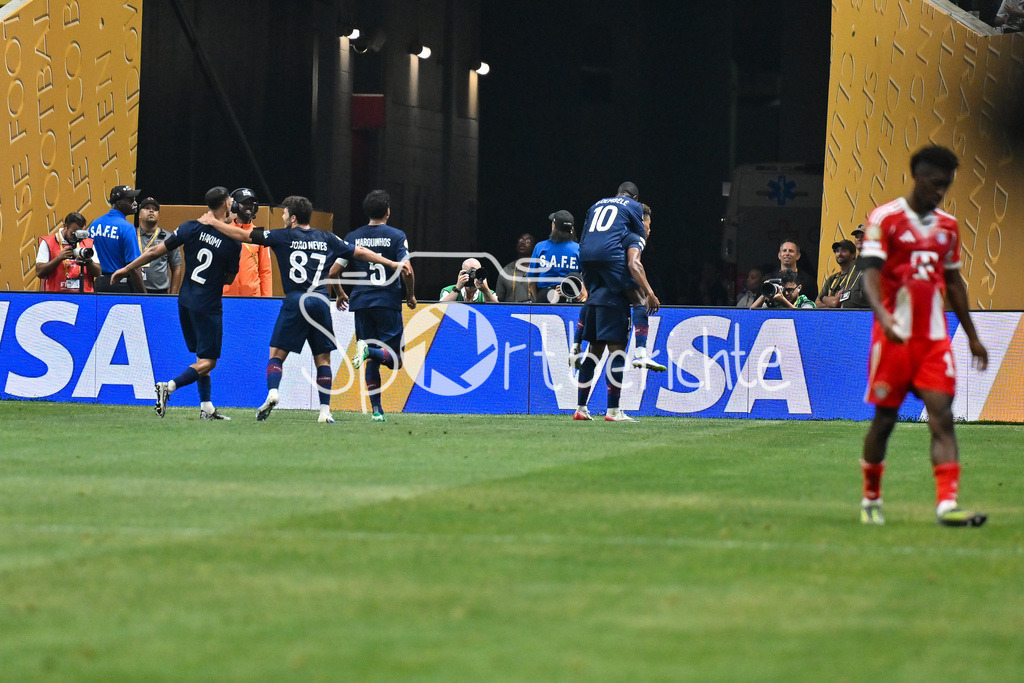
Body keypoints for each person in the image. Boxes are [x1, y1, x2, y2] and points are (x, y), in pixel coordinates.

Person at [858, 144, 989, 527]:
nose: (940, 192)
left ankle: (947, 506)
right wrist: (883, 316)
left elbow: (954, 282)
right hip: (893, 338)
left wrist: (972, 336)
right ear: (918, 176)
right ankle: (871, 499)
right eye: (936, 183)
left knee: (942, 416)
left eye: (946, 186)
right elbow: (869, 272)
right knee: (885, 421)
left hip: (933, 341)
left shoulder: (948, 227)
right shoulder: (886, 218)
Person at [201, 195, 411, 423]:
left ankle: (273, 392)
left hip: (296, 300)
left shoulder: (281, 236)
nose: (281, 217)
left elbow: (243, 235)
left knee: (276, 355)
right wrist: (391, 263)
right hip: (320, 301)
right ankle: (324, 412)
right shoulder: (327, 237)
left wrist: (214, 223)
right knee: (323, 360)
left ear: (292, 218)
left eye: (283, 213)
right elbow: (359, 252)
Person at [112, 186, 242, 420]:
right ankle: (169, 386)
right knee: (209, 361)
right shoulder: (233, 241)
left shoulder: (189, 227)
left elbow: (154, 252)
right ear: (226, 204)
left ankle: (207, 408)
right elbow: (229, 279)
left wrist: (126, 268)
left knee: (200, 358)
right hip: (208, 304)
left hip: (185, 300)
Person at [329, 189, 417, 422]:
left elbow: (334, 271)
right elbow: (407, 270)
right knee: (395, 359)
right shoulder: (397, 236)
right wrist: (410, 295)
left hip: (362, 303)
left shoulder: (353, 237)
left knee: (373, 359)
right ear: (388, 211)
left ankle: (377, 410)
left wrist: (340, 293)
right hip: (387, 302)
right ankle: (368, 352)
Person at [90, 185, 145, 293]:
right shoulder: (127, 228)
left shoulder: (94, 224)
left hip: (99, 284)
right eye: (130, 200)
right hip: (121, 285)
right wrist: (144, 294)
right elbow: (133, 266)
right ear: (119, 203)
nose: (134, 203)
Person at [222, 188, 274, 297]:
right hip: (227, 296)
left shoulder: (261, 235)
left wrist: (267, 300)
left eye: (251, 203)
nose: (248, 206)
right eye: (244, 203)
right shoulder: (224, 232)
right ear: (235, 206)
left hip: (252, 298)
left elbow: (265, 272)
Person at [35, 211, 101, 293]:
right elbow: (39, 272)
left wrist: (89, 262)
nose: (76, 238)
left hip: (84, 296)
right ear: (65, 226)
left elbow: (98, 273)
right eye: (73, 234)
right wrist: (59, 258)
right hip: (55, 296)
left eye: (80, 234)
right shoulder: (48, 242)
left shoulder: (87, 243)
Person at [528, 210, 581, 303]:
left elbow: (531, 281)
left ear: (554, 226)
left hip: (545, 296)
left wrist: (537, 301)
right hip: (571, 297)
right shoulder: (578, 249)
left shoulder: (540, 247)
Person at [136, 197, 183, 294]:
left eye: (155, 209)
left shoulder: (169, 238)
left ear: (159, 216)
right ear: (139, 214)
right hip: (133, 290)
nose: (151, 211)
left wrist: (172, 296)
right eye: (147, 208)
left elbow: (177, 267)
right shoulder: (131, 235)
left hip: (159, 292)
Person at [816, 239, 863, 309]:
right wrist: (833, 304)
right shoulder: (832, 278)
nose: (840, 254)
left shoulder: (856, 277)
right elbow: (817, 302)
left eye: (844, 251)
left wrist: (825, 299)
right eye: (837, 251)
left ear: (853, 255)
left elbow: (841, 302)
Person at [494, 232, 536, 303]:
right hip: (511, 312)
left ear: (534, 246)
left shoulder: (540, 270)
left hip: (536, 312)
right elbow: (498, 300)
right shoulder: (506, 271)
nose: (523, 243)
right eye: (520, 240)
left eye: (527, 241)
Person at [749, 270, 815, 309]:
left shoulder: (806, 303)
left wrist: (783, 301)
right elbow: (750, 314)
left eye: (790, 290)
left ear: (799, 288)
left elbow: (803, 316)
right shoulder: (774, 303)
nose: (786, 293)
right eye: (784, 290)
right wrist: (765, 294)